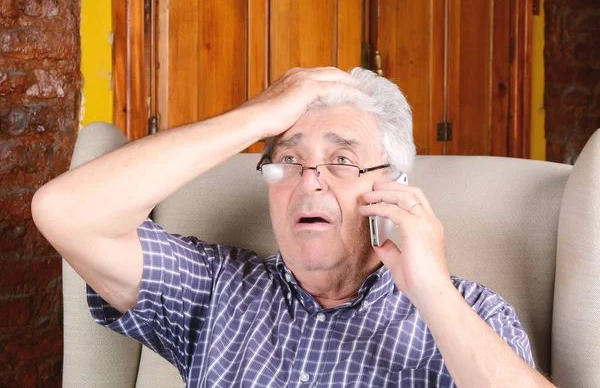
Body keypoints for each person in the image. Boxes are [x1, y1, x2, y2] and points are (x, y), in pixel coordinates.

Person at [32, 67, 554, 387]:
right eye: (288, 159)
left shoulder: (471, 314)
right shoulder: (217, 291)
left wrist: (433, 292)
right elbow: (65, 212)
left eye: (342, 160)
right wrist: (257, 117)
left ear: (391, 187)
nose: (310, 182)